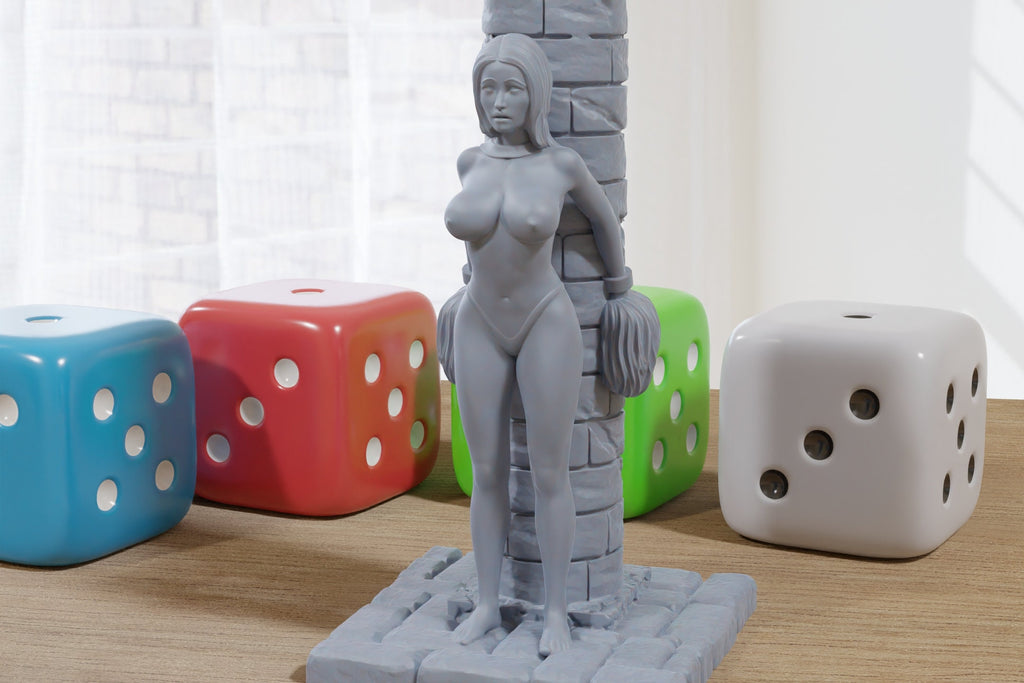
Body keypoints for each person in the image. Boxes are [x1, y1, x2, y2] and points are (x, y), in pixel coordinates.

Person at [443, 32, 630, 657]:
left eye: (513, 88)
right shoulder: (469, 163)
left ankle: (554, 612)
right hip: (478, 321)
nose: (498, 101)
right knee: (487, 472)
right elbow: (479, 248)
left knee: (551, 472)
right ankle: (487, 604)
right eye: (488, 88)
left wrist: (620, 288)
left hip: (545, 319)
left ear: (536, 95)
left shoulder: (561, 165)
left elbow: (602, 220)